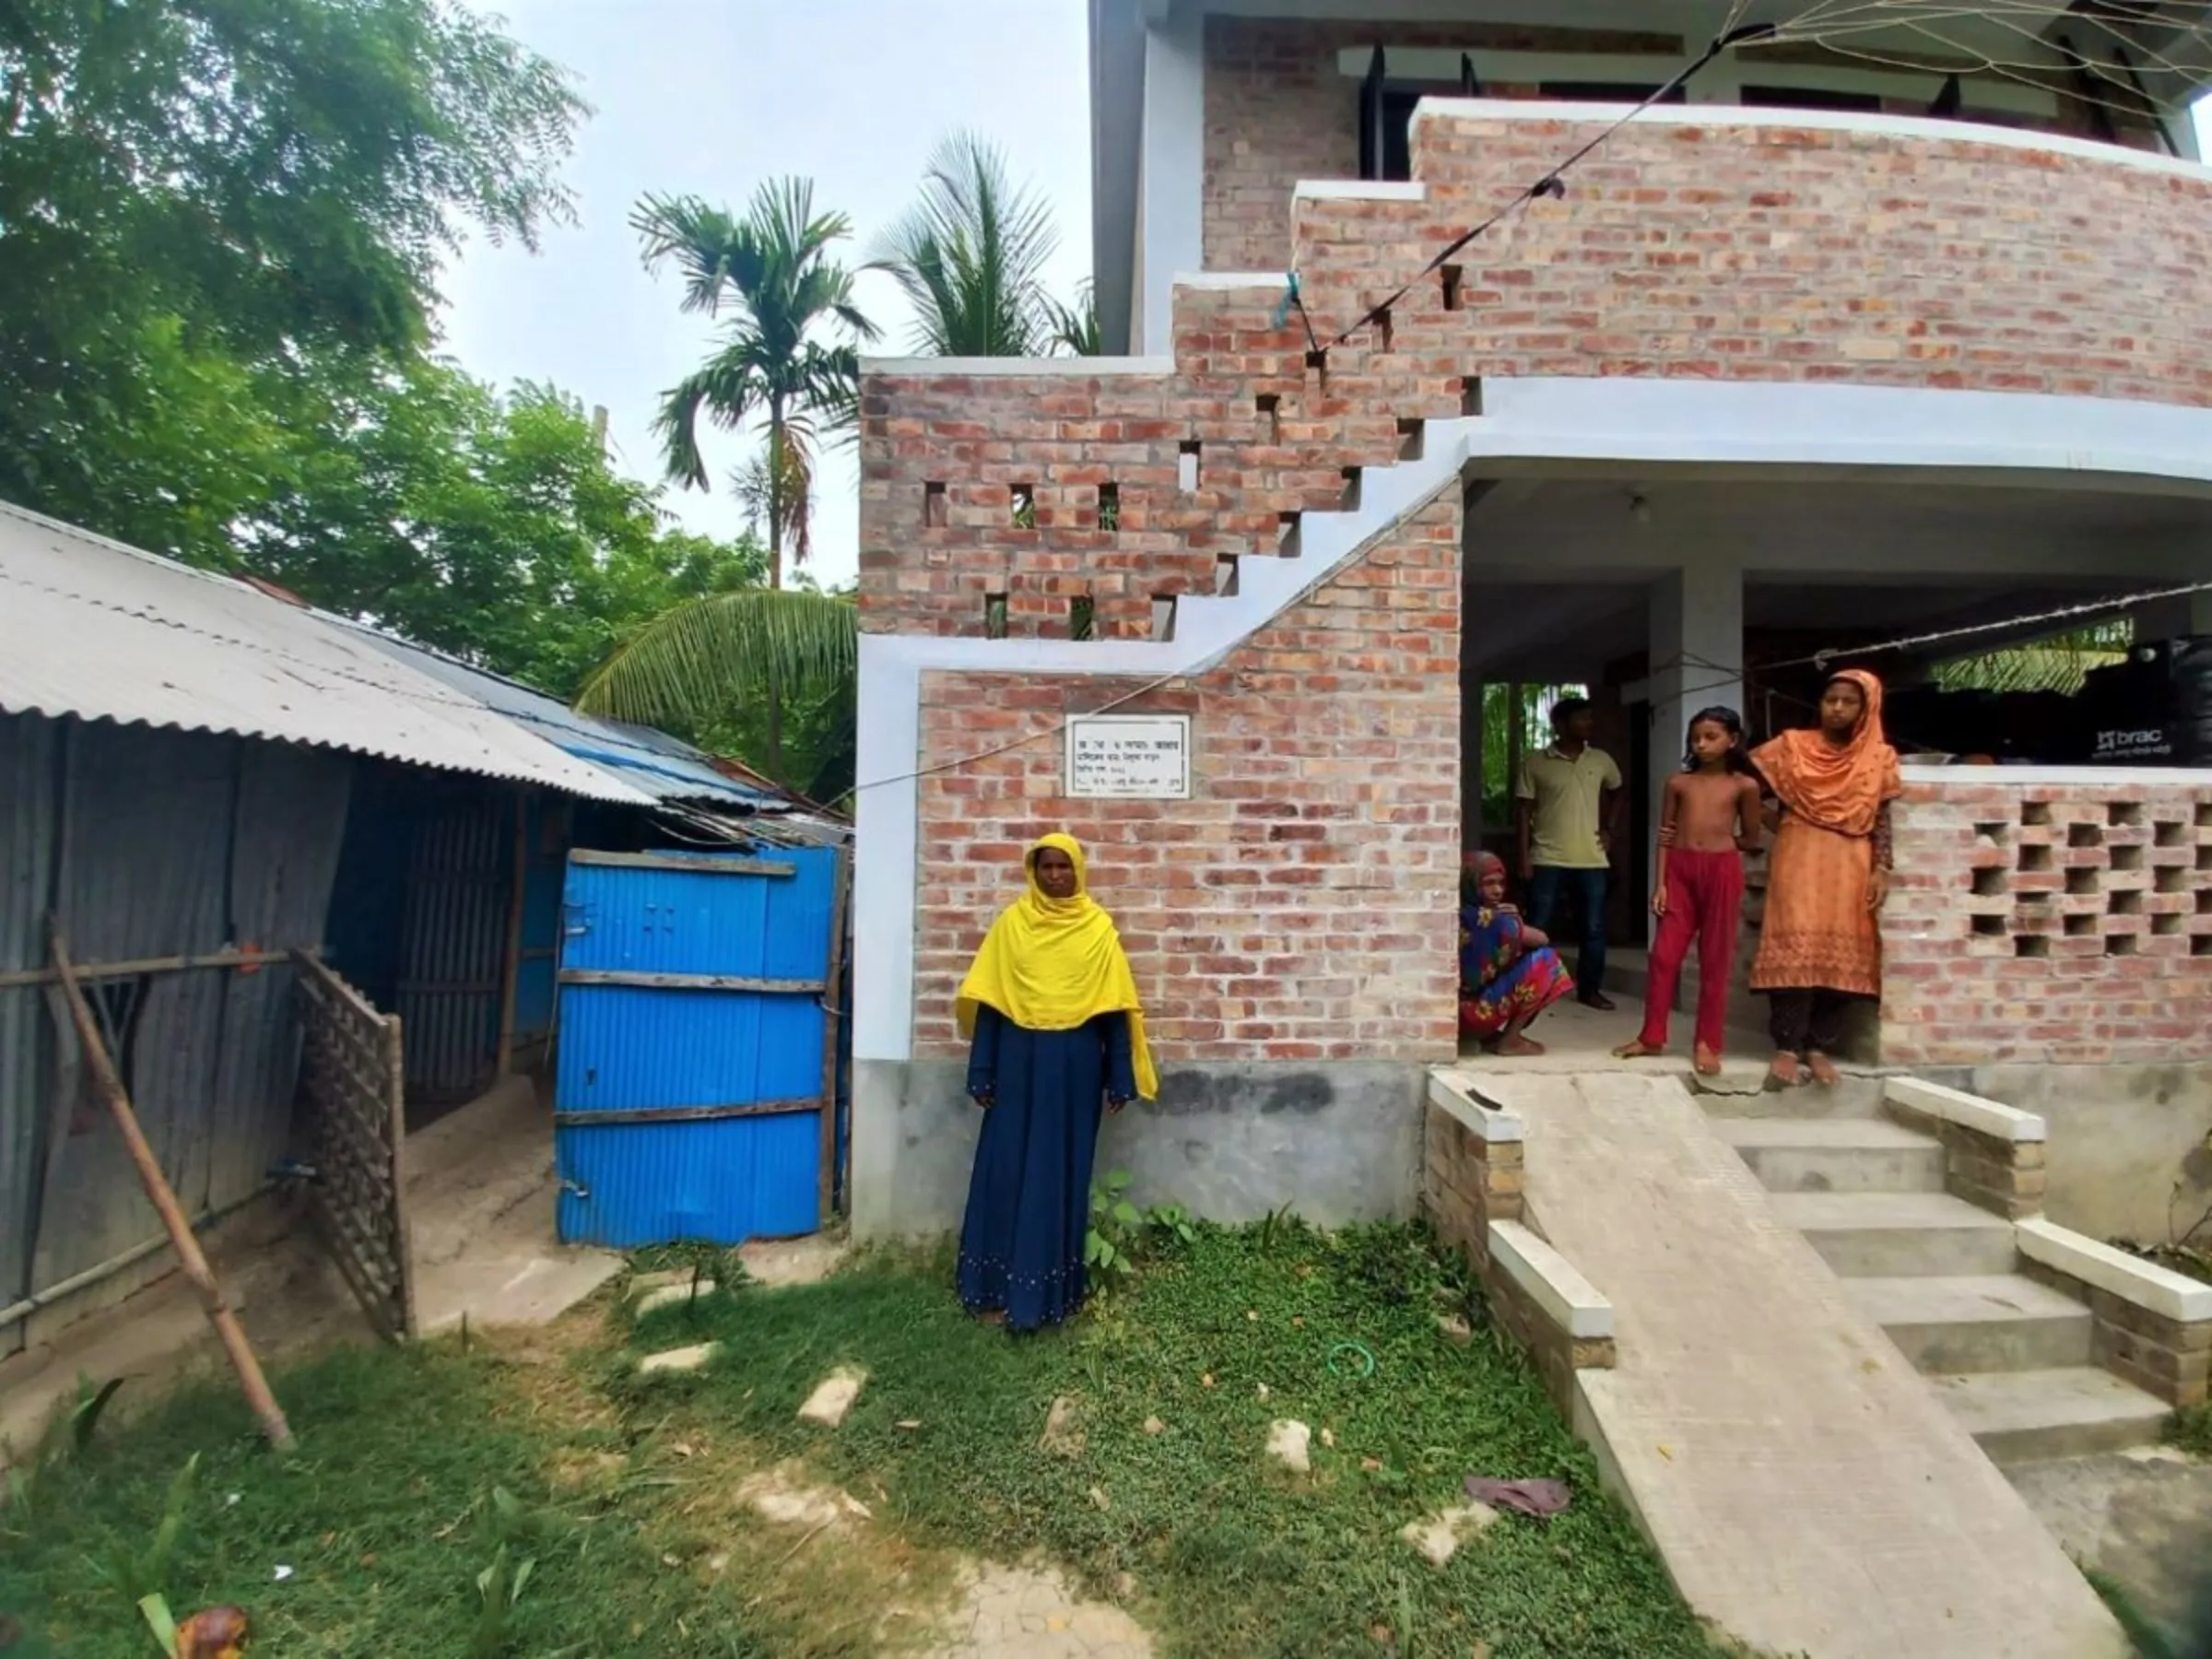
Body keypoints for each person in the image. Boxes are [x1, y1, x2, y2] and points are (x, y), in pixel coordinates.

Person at [954, 832, 1159, 1332]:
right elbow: (991, 1003)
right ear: (1033, 871)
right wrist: (981, 1069)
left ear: (1079, 872)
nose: (1054, 876)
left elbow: (1113, 1010)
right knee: (1003, 1172)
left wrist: (1120, 1078)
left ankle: (1048, 1296)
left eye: (1063, 867)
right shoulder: (1011, 927)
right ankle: (991, 1291)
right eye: (1045, 867)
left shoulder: (1097, 930)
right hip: (1016, 1065)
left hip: (1074, 1069)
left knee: (1057, 1174)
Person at [1748, 670, 1901, 1089]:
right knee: (1796, 943)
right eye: (1830, 699)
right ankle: (1786, 1045)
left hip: (1852, 856)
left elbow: (1883, 817)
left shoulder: (1879, 758)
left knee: (1844, 950)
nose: (1836, 708)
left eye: (1847, 702)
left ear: (1866, 708)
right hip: (1799, 851)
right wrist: (1772, 821)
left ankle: (1818, 1045)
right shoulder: (1792, 746)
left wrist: (1882, 868)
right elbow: (1749, 786)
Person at [1615, 707, 1764, 1075]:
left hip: (1722, 871)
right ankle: (1651, 1036)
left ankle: (1708, 1043)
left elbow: (1751, 836)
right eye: (1696, 737)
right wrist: (1660, 883)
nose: (1701, 744)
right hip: (1679, 872)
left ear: (1733, 739)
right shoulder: (1678, 783)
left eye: (1711, 737)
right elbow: (1665, 834)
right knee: (1663, 956)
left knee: (1716, 960)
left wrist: (1722, 847)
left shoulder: (1744, 786)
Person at [1515, 696, 1624, 1010]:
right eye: (1582, 718)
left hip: (1591, 859)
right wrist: (1523, 855)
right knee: (1538, 926)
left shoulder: (1601, 759)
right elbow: (1523, 810)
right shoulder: (1535, 761)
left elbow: (1618, 791)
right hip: (1547, 857)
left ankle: (1589, 990)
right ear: (1560, 725)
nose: (1589, 723)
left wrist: (1610, 830)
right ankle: (1528, 991)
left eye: (1590, 718)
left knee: (1593, 928)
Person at [1460, 851, 1577, 1057]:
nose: (1497, 891)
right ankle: (1510, 1039)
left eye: (1500, 883)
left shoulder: (1456, 912)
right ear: (1471, 884)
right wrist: (1515, 921)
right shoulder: (1490, 919)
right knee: (1548, 961)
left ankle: (1490, 1037)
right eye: (1488, 884)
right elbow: (1541, 939)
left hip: (1455, 1015)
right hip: (1475, 1014)